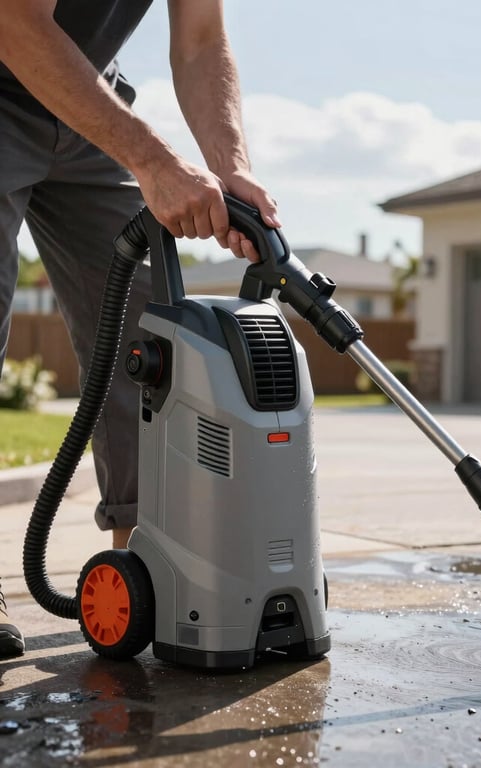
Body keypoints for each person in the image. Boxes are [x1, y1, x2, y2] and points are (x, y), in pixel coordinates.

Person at [0, 0, 281, 659]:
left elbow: (201, 41)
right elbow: (16, 20)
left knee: (151, 342)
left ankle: (156, 569)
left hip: (82, 97)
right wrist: (154, 160)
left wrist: (229, 164)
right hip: (14, 63)